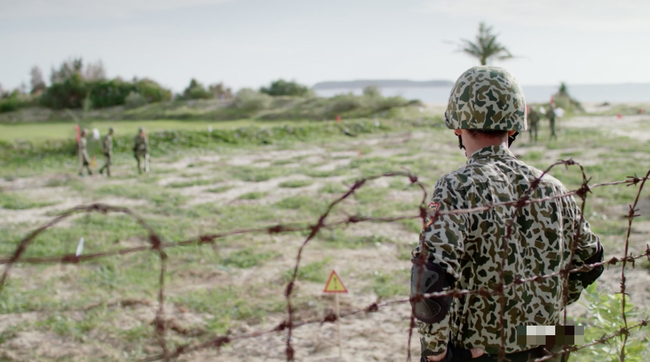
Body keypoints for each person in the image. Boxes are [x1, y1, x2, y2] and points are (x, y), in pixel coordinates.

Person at [410, 66, 604, 362]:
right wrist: (550, 303)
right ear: (515, 127)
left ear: (457, 128)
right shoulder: (551, 185)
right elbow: (592, 260)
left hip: (484, 350)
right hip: (550, 341)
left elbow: (429, 276)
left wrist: (436, 353)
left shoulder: (456, 186)